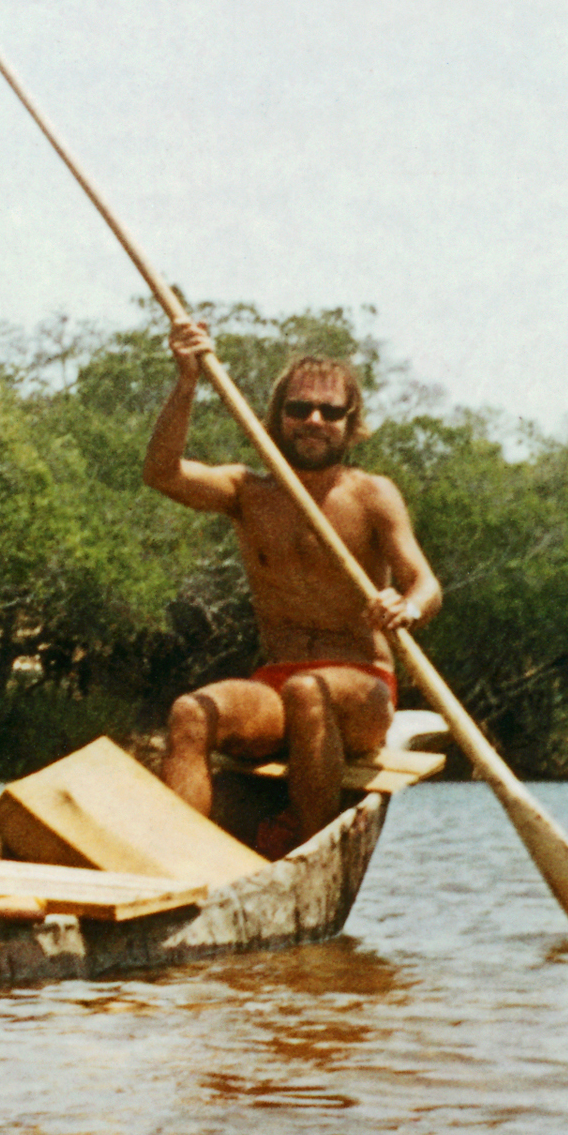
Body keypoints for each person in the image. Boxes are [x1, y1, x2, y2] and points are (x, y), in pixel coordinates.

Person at [142, 321, 442, 853]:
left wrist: (407, 607)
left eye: (331, 412)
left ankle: (311, 851)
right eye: (299, 408)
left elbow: (424, 584)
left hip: (361, 687)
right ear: (278, 419)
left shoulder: (372, 494)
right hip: (276, 682)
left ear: (351, 425)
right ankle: (177, 860)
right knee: (191, 712)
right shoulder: (247, 492)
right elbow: (162, 474)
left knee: (311, 692)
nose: (314, 420)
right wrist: (187, 380)